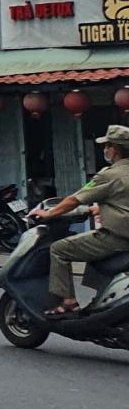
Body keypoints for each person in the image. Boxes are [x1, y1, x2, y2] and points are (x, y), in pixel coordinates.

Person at [36, 124, 129, 313]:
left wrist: (48, 213)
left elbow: (74, 199)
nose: (105, 150)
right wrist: (100, 207)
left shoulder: (109, 175)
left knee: (59, 249)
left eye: (107, 146)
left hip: (117, 238)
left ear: (115, 149)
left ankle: (68, 301)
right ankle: (101, 299)